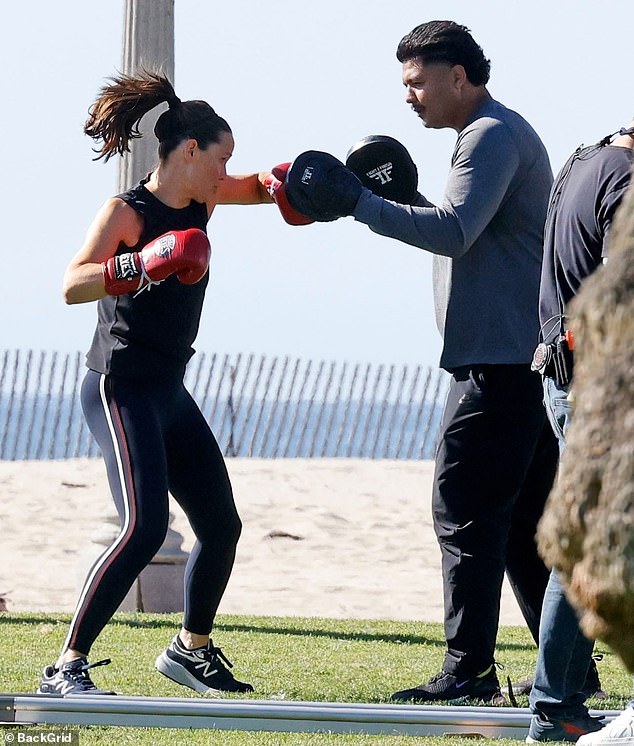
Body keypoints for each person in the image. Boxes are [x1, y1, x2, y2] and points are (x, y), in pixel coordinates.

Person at [281, 20, 560, 703]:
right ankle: (567, 671)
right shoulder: (492, 134)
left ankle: (468, 673)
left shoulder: (490, 135)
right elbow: (464, 227)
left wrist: (361, 203)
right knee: (523, 526)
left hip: (497, 365)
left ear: (457, 77)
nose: (409, 96)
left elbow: (457, 232)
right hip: (512, 360)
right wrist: (401, 202)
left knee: (461, 511)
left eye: (416, 82)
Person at [37, 70, 275, 697]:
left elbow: (265, 190)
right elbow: (71, 283)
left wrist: (315, 181)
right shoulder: (127, 211)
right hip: (120, 387)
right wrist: (139, 263)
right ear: (189, 150)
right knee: (144, 528)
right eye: (221, 157)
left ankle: (190, 648)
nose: (229, 171)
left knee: (221, 524)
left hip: (169, 389)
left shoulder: (205, 199)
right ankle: (66, 665)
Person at [525, 121, 634, 743]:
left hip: (565, 375)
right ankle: (554, 701)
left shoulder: (582, 165)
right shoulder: (624, 182)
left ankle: (558, 697)